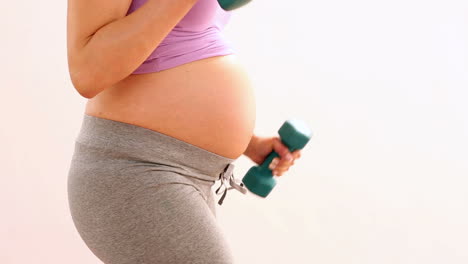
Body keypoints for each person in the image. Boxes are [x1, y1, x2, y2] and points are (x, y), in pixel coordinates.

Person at [66, 0, 302, 263]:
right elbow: (86, 72)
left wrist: (248, 142)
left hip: (190, 175)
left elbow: (179, 46)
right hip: (136, 167)